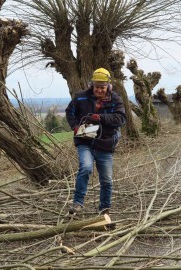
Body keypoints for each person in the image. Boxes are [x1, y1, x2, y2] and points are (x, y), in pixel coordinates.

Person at [65, 68, 126, 215]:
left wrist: (102, 118)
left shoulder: (115, 99)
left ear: (108, 86)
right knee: (85, 168)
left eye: (102, 87)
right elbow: (69, 112)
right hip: (85, 139)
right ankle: (78, 203)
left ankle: (104, 208)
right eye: (96, 86)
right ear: (92, 84)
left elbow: (121, 119)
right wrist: (75, 127)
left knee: (106, 179)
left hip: (105, 142)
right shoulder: (80, 97)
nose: (99, 90)